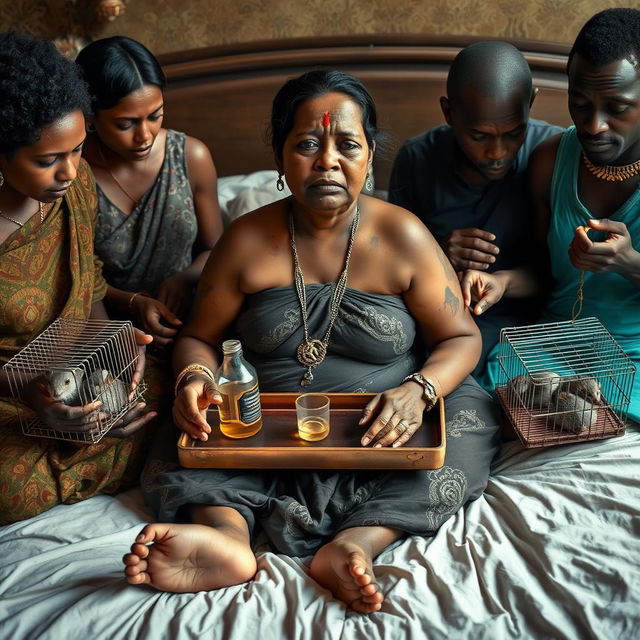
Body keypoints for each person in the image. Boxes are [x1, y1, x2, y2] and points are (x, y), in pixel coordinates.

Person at [123, 70, 502, 613]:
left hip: (383, 429)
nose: (327, 160)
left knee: (467, 421)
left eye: (347, 144)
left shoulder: (403, 236)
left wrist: (418, 390)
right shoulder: (246, 241)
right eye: (306, 144)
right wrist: (196, 379)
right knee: (187, 435)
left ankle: (358, 543)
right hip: (262, 427)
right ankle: (228, 538)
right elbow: (199, 338)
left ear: (370, 157)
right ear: (280, 158)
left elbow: (462, 337)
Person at [0, 31, 159, 525]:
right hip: (9, 398)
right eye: (48, 160)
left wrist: (109, 354)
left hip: (73, 376)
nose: (70, 171)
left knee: (166, 397)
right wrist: (28, 395)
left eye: (78, 149)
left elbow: (86, 281)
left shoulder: (76, 186)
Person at [461, 8, 640, 423]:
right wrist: (502, 281)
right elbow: (545, 273)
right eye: (579, 104)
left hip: (633, 356)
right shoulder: (549, 161)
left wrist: (630, 265)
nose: (593, 125)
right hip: (552, 347)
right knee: (493, 407)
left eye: (617, 107)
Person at [388, 41, 564, 377]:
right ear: (449, 112)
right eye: (479, 136)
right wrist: (435, 254)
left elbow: (562, 275)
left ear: (531, 103)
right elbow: (389, 270)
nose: (498, 152)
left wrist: (502, 281)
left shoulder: (553, 156)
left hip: (533, 326)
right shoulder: (417, 160)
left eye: (514, 133)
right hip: (445, 325)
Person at [75, 36, 223, 350]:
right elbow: (75, 276)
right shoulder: (71, 174)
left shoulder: (190, 157)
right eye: (126, 123)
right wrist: (131, 302)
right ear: (91, 119)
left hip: (190, 321)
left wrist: (185, 278)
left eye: (155, 116)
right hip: (108, 328)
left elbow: (216, 249)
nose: (145, 136)